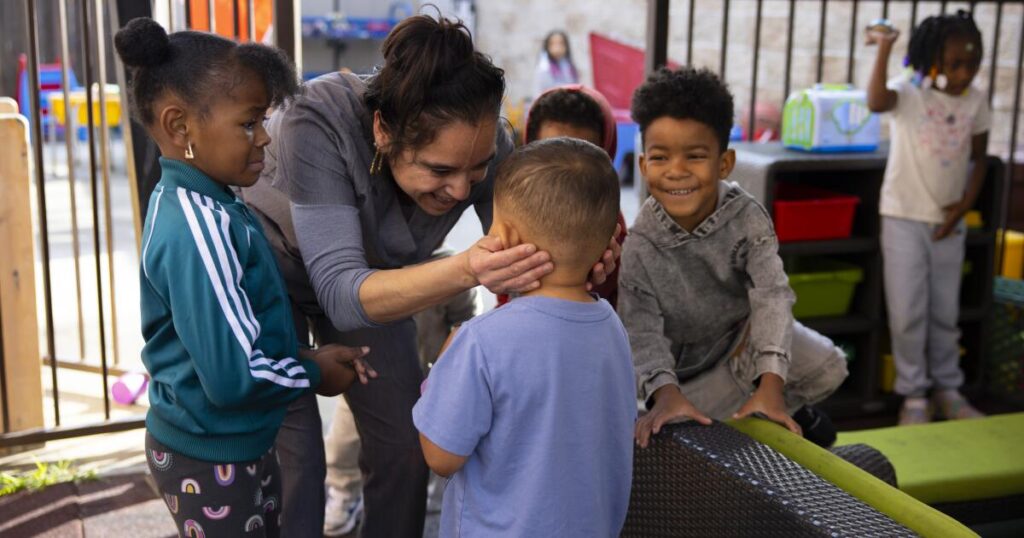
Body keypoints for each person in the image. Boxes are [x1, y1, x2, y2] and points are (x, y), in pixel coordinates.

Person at [239, 14, 621, 537]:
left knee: (404, 441)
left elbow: (528, 255)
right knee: (297, 456)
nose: (461, 190)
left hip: (379, 281)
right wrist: (466, 268)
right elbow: (341, 293)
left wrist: (578, 262)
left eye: (477, 169)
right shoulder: (318, 119)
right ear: (382, 131)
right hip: (272, 273)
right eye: (440, 170)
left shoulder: (492, 142)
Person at [114, 18, 371, 537]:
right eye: (249, 123)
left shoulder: (209, 202)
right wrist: (314, 372)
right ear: (180, 127)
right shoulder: (200, 227)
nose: (265, 137)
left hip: (229, 443)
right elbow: (232, 379)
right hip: (212, 456)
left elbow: (238, 336)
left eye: (264, 120)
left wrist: (304, 357)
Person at [413, 137, 636, 537]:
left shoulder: (481, 341)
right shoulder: (610, 326)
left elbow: (441, 456)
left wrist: (443, 366)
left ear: (507, 237)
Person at [621, 66, 849, 449]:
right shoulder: (641, 243)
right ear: (644, 166)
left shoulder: (746, 216)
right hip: (695, 372)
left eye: (695, 156)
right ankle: (753, 413)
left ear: (724, 163)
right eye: (660, 158)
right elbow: (641, 330)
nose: (676, 172)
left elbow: (772, 296)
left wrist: (771, 384)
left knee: (830, 367)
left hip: (745, 340)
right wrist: (665, 393)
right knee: (677, 433)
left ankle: (777, 407)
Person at [866, 11, 989, 425]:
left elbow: (979, 158)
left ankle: (948, 390)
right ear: (931, 58)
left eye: (973, 63)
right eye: (955, 64)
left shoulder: (976, 100)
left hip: (949, 223)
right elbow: (876, 102)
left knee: (945, 311)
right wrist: (884, 48)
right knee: (908, 312)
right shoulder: (910, 93)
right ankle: (914, 395)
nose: (964, 73)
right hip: (903, 217)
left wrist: (964, 206)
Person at [323, 246, 479, 537]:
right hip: (372, 372)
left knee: (431, 444)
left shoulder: (448, 269)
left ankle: (433, 500)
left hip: (428, 375)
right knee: (342, 443)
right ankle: (343, 492)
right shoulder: (370, 264)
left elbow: (465, 321)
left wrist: (447, 367)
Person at [500, 84, 626, 307]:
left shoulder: (614, 233)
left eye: (582, 160)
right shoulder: (514, 213)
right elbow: (503, 297)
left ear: (607, 152)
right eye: (550, 157)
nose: (565, 175)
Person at [533, 30, 579, 97]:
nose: (557, 47)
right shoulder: (544, 68)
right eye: (553, 44)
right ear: (547, 47)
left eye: (561, 43)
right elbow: (538, 93)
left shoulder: (570, 68)